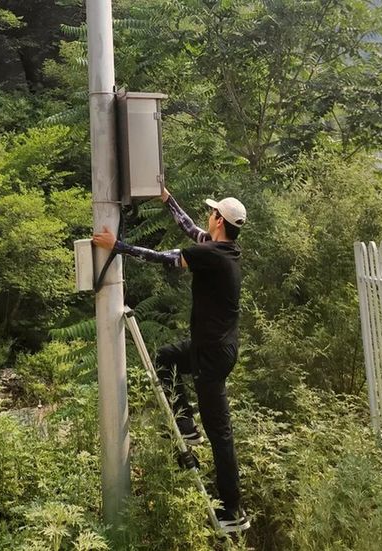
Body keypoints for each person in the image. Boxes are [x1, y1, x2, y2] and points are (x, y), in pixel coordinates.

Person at [92, 187, 249, 533]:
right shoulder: (224, 248)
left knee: (220, 434)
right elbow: (190, 227)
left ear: (219, 220)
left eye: (212, 213)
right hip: (212, 348)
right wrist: (166, 198)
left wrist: (116, 246)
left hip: (212, 355)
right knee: (166, 358)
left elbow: (164, 257)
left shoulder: (213, 256)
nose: (207, 216)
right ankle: (186, 426)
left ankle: (233, 511)